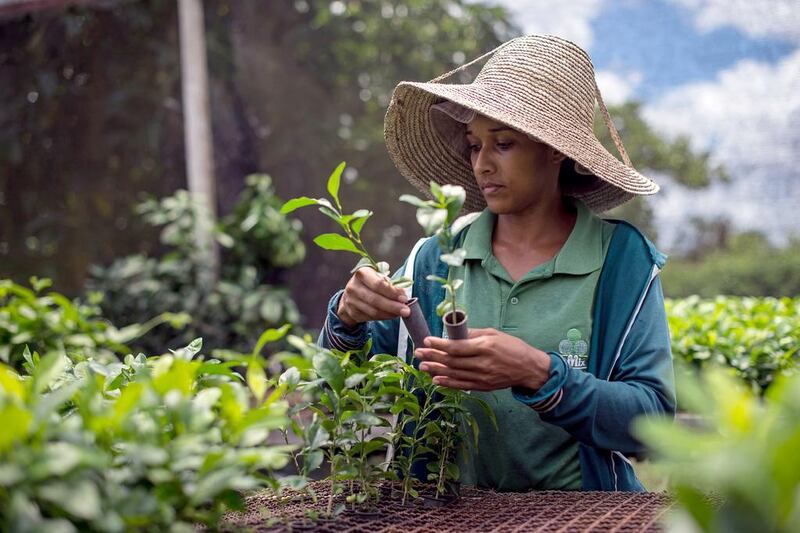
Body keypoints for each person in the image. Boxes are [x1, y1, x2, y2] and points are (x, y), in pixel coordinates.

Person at [319, 35, 675, 492]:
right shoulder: (435, 258)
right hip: (443, 517)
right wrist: (346, 317)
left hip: (582, 516)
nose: (482, 164)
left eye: (503, 143)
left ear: (555, 150)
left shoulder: (621, 261)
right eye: (474, 145)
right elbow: (341, 391)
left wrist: (539, 373)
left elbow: (652, 422)